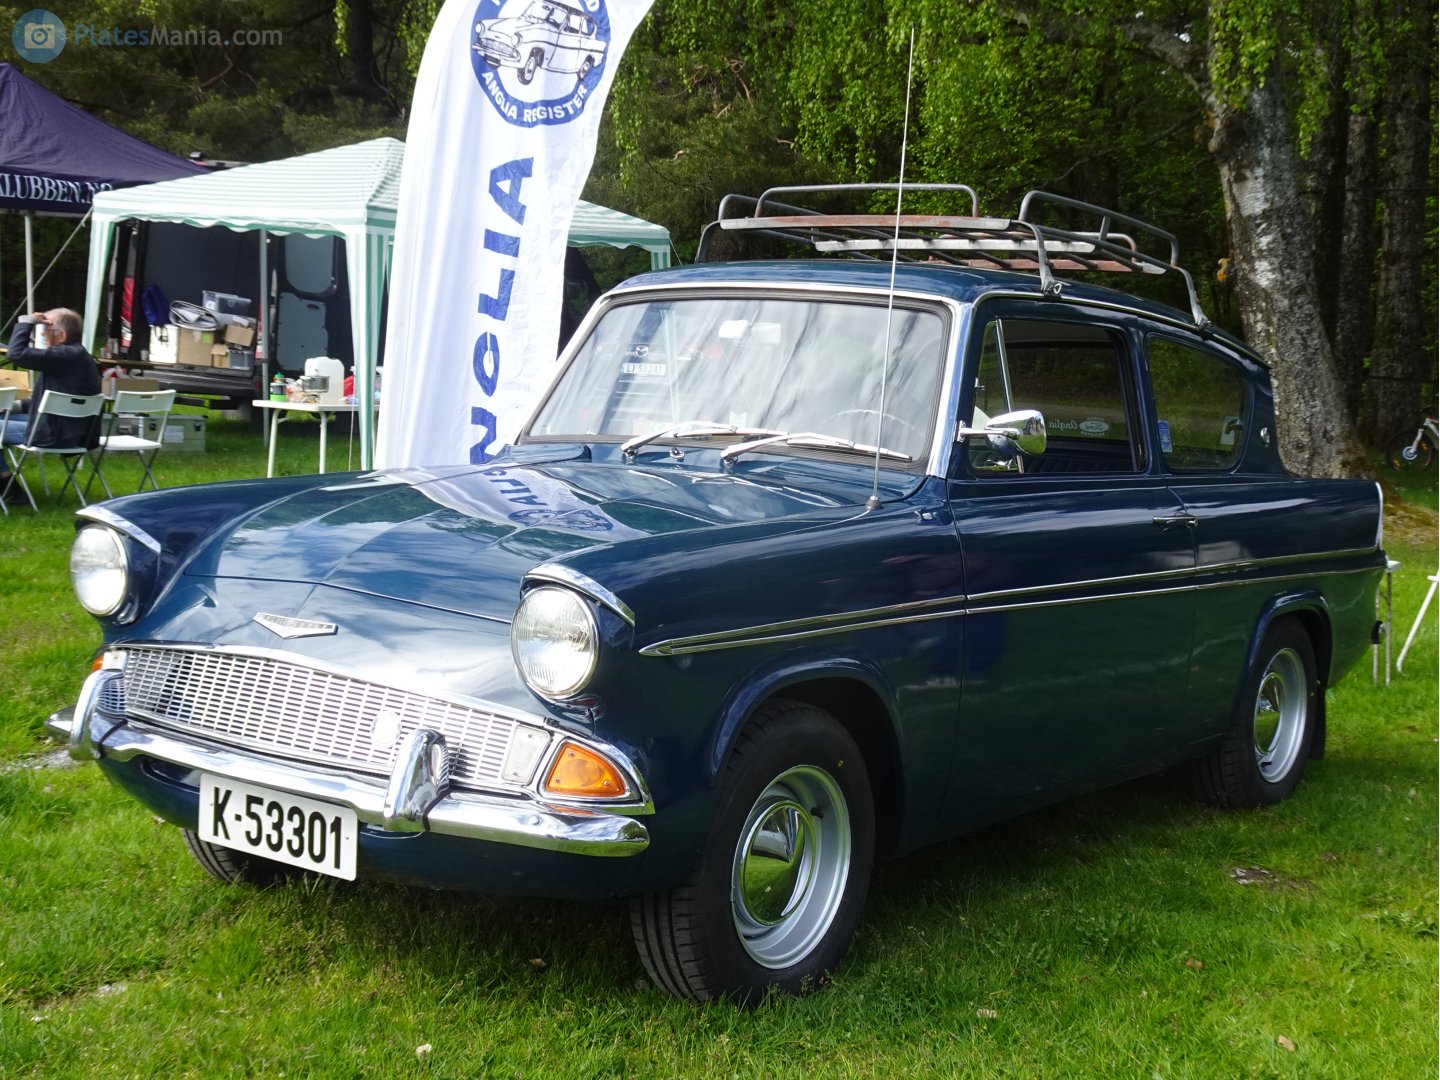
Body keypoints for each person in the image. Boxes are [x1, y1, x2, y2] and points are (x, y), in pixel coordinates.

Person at [0, 308, 102, 498]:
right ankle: (9, 486)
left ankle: (7, 486)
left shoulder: (63, 356)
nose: (43, 334)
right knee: (3, 415)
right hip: (72, 430)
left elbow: (15, 354)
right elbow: (51, 402)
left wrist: (26, 322)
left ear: (62, 335)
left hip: (55, 433)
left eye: (46, 329)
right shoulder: (78, 356)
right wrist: (12, 406)